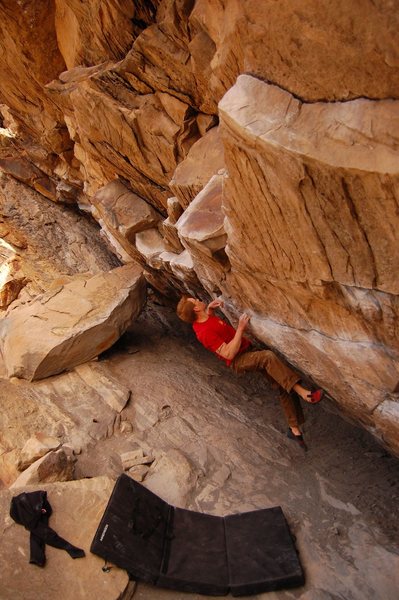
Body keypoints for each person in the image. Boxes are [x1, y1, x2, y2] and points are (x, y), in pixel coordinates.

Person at [176, 296, 323, 451]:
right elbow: (228, 354)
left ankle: (294, 430)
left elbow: (211, 326)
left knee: (281, 382)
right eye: (196, 301)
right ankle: (304, 393)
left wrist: (210, 311)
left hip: (246, 350)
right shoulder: (203, 332)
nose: (199, 300)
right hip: (239, 359)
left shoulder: (204, 318)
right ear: (196, 309)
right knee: (267, 357)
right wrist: (240, 328)